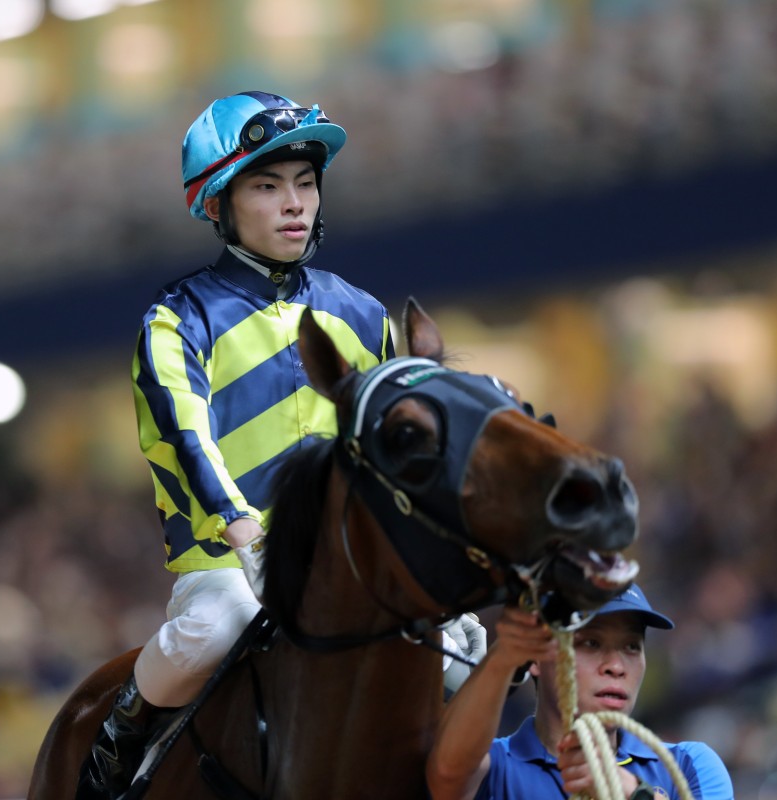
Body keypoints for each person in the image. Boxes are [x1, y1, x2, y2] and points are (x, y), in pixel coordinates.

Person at [83, 90, 483, 793]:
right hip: (223, 562)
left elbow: (391, 457)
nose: (294, 203)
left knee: (457, 656)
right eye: (267, 187)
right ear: (218, 204)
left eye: (305, 184)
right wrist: (246, 537)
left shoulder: (360, 313)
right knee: (221, 624)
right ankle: (124, 727)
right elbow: (186, 436)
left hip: (342, 562)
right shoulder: (176, 320)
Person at [427, 584, 735, 800]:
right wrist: (495, 665)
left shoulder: (687, 764)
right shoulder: (492, 767)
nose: (616, 665)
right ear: (534, 656)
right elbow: (445, 772)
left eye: (631, 646)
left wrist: (632, 794)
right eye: (590, 643)